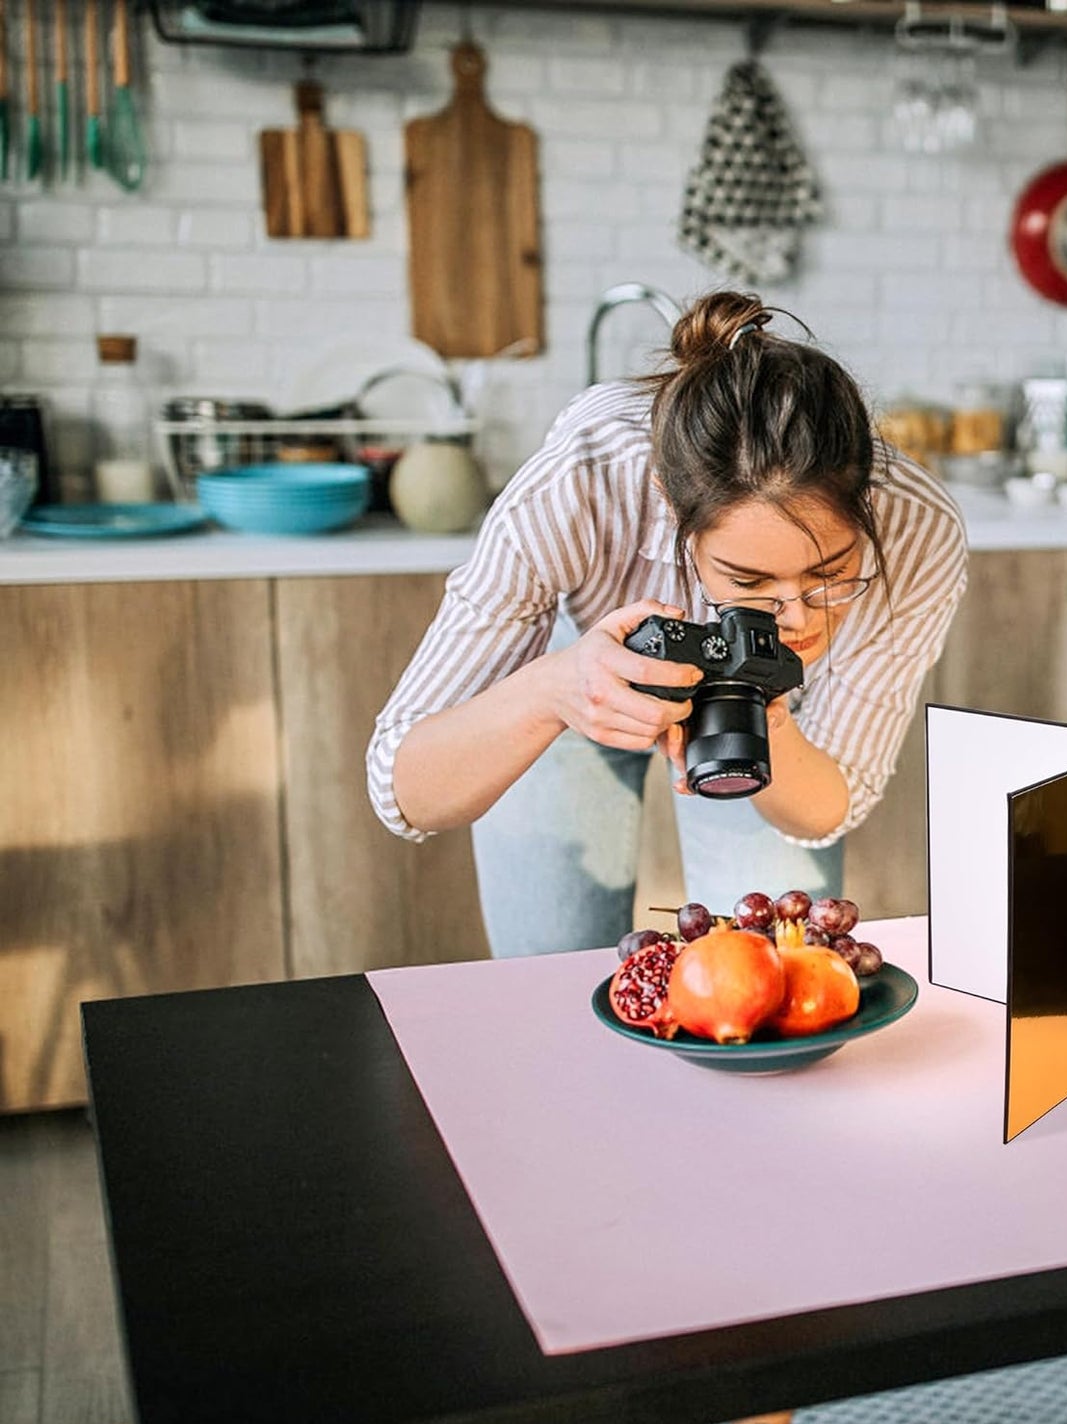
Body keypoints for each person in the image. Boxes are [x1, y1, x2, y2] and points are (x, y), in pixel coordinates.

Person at [366, 291, 968, 960]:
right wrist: (555, 688)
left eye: (830, 572)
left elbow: (831, 803)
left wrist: (768, 715)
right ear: (667, 503)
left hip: (769, 711)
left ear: (868, 506)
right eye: (748, 581)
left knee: (770, 966)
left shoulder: (918, 529)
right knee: (552, 966)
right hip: (579, 660)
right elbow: (406, 790)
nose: (796, 617)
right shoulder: (585, 476)